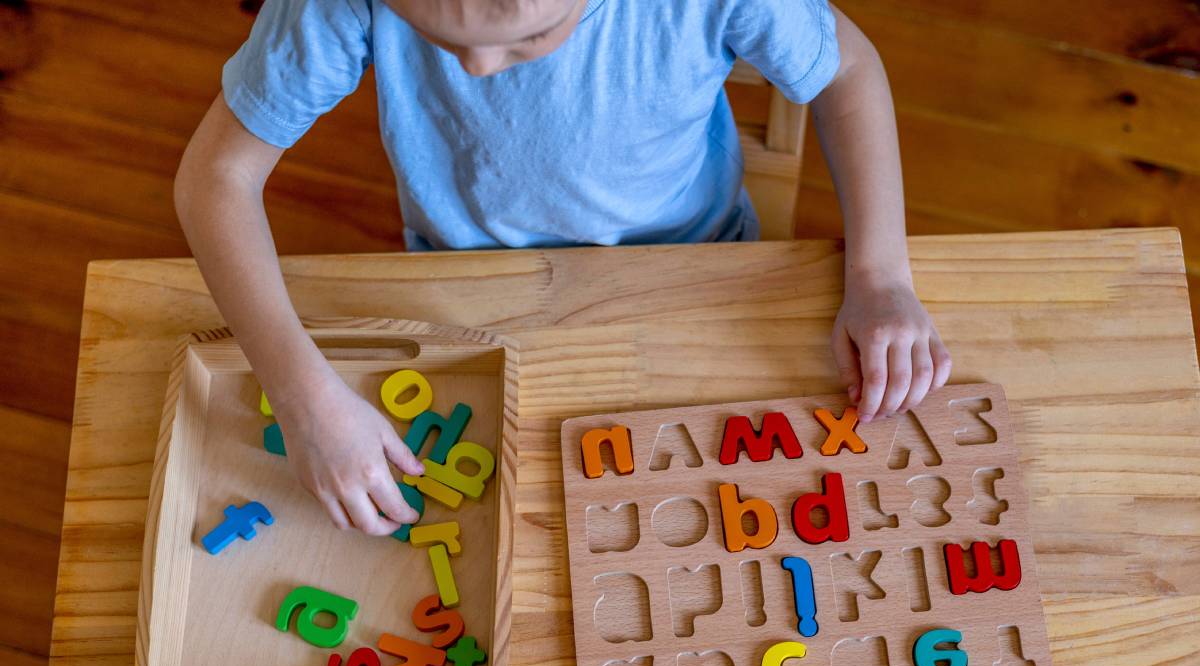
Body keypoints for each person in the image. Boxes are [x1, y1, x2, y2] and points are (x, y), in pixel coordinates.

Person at [174, 0, 952, 537]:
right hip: (472, 289)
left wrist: (881, 275)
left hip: (697, 260)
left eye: (531, 36)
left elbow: (847, 71)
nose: (478, 67)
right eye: (436, 36)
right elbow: (216, 178)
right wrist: (303, 396)